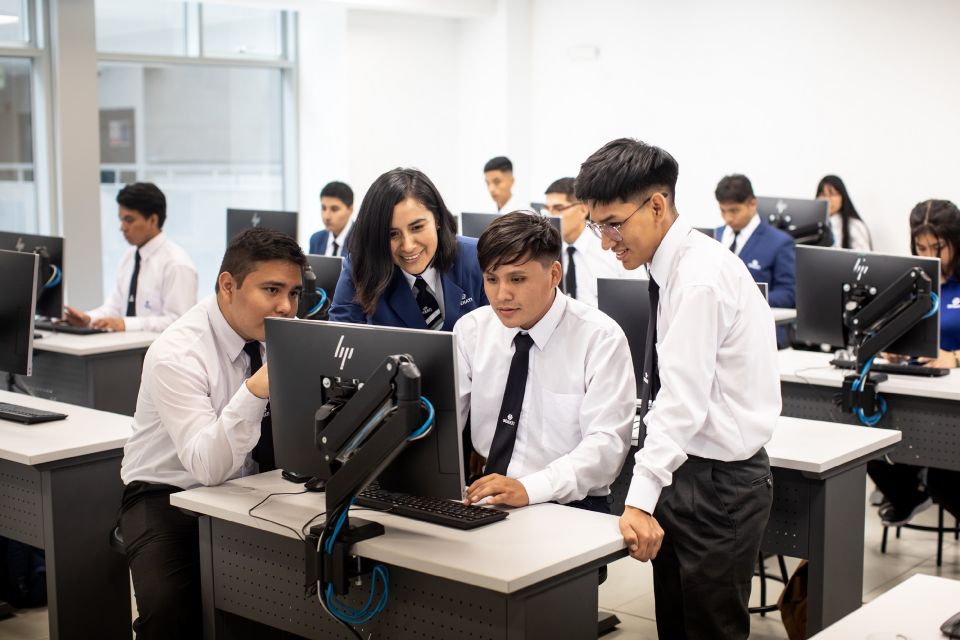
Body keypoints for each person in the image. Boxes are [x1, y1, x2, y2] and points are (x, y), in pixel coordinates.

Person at [576, 138, 780, 639]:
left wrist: (640, 498)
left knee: (707, 630)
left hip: (717, 487)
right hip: (689, 474)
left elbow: (682, 402)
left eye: (613, 224)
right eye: (595, 226)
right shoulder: (675, 268)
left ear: (657, 205)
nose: (605, 241)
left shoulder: (697, 280)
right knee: (677, 625)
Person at [118, 227, 306, 638]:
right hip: (167, 494)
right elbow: (206, 467)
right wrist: (257, 387)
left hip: (256, 487)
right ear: (227, 285)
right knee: (171, 613)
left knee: (307, 594)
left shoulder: (277, 335)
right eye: (272, 290)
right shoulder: (177, 353)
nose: (287, 307)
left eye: (294, 293)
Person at [456, 212, 634, 512]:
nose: (502, 294)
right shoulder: (472, 330)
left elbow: (606, 448)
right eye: (491, 279)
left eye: (517, 279)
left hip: (572, 503)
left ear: (554, 275)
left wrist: (529, 488)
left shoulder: (599, 338)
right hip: (490, 496)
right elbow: (445, 421)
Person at [868, 199, 960, 526]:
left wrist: (955, 357)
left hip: (951, 401)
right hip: (912, 388)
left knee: (945, 477)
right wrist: (890, 346)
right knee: (865, 444)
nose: (929, 255)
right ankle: (911, 495)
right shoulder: (912, 282)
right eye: (920, 247)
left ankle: (926, 486)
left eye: (937, 247)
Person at [329, 168, 487, 329]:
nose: (408, 246)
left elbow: (502, 337)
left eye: (417, 227)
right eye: (392, 234)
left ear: (437, 219)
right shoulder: (360, 268)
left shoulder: (478, 257)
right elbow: (340, 341)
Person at [63, 182, 197, 333]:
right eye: (121, 220)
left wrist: (125, 324)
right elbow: (114, 307)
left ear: (153, 220)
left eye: (129, 220)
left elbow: (178, 322)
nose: (122, 227)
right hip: (126, 349)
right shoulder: (129, 257)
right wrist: (88, 318)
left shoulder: (176, 264)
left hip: (159, 354)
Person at [545, 177, 638, 308]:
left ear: (583, 210)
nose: (550, 216)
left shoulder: (614, 246)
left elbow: (639, 298)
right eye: (547, 210)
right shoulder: (546, 252)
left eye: (558, 209)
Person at [714, 174, 796, 309]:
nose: (728, 218)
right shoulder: (716, 235)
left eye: (734, 211)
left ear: (752, 204)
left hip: (757, 323)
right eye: (723, 211)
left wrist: (744, 300)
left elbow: (788, 294)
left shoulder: (780, 243)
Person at [816, 175, 872, 252]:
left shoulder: (854, 225)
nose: (826, 199)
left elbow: (864, 258)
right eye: (822, 194)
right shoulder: (814, 224)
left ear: (842, 197)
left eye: (832, 194)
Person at [308, 181, 354, 257]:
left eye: (334, 209)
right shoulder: (316, 239)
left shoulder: (362, 241)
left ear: (350, 209)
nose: (326, 216)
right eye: (323, 208)